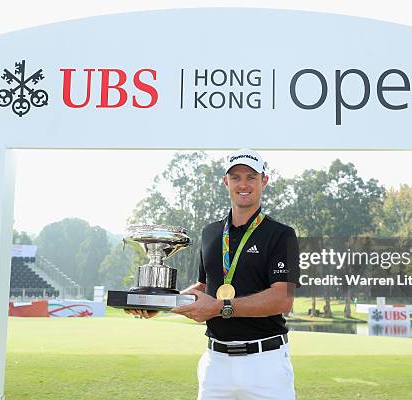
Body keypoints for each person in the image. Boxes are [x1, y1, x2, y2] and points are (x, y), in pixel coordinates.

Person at [127, 148, 300, 400]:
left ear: (264, 181)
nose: (243, 184)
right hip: (216, 365)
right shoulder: (211, 233)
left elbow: (282, 299)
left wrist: (221, 307)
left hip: (266, 364)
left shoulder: (281, 234)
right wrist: (161, 304)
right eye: (236, 177)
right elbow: (203, 285)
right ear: (225, 181)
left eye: (251, 177)